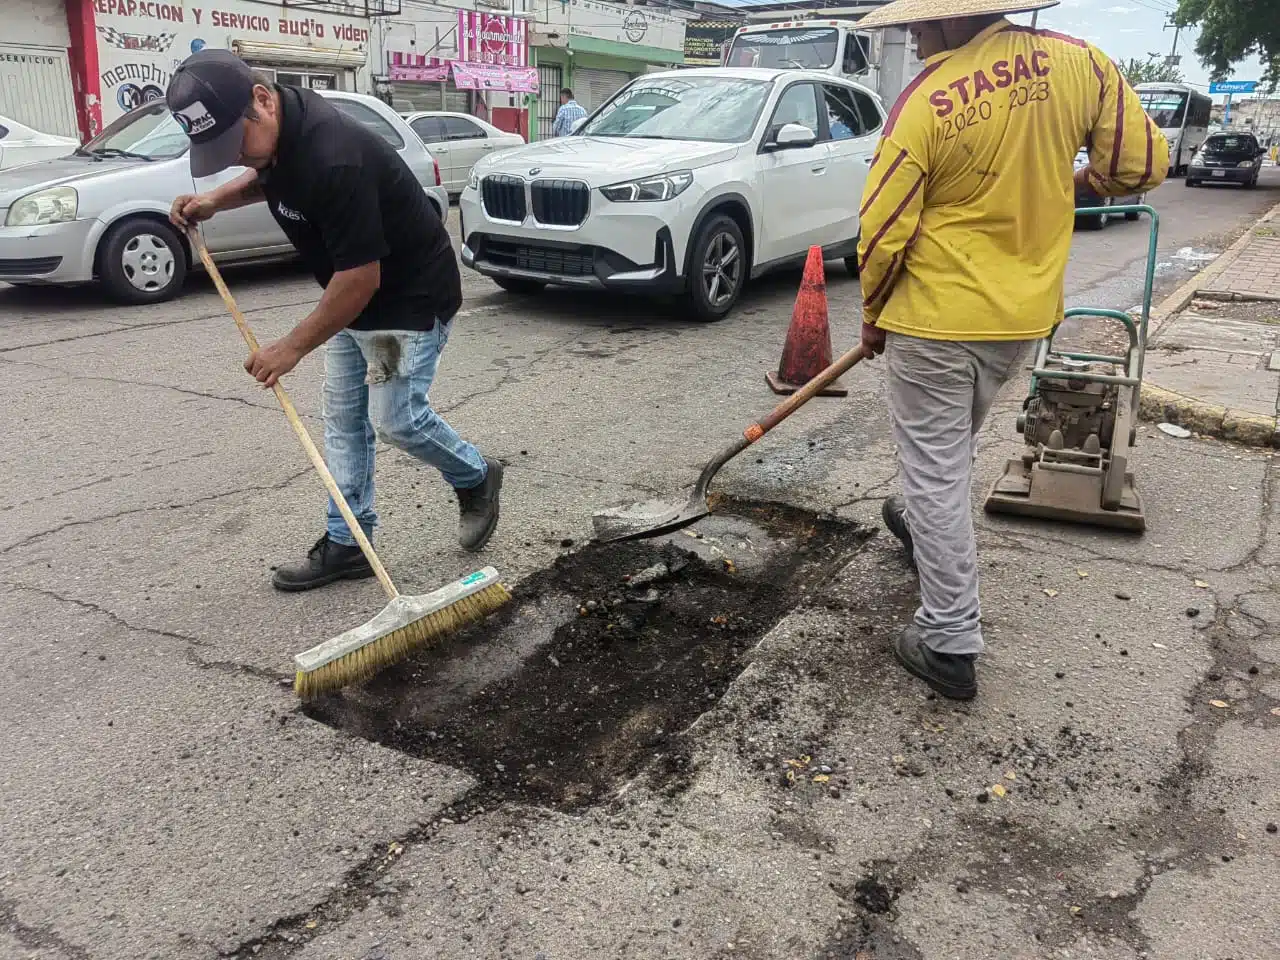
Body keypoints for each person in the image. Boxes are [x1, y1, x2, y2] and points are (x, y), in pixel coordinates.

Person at [853, 0, 1168, 699]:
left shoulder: (927, 98)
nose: (912, 34)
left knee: (936, 469)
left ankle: (949, 640)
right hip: (1022, 315)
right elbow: (1141, 164)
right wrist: (1075, 183)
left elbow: (881, 229)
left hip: (935, 318)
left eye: (918, 24)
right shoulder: (1081, 62)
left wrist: (874, 314)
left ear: (947, 21)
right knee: (946, 452)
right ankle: (919, 523)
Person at [165, 49, 503, 592]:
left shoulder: (332, 155)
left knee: (397, 420)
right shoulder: (278, 135)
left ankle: (476, 474)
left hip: (403, 299)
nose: (236, 159)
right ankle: (348, 541)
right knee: (345, 419)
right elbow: (268, 177)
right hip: (350, 295)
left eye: (235, 143)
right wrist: (214, 202)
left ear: (261, 100)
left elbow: (361, 280)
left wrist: (290, 347)